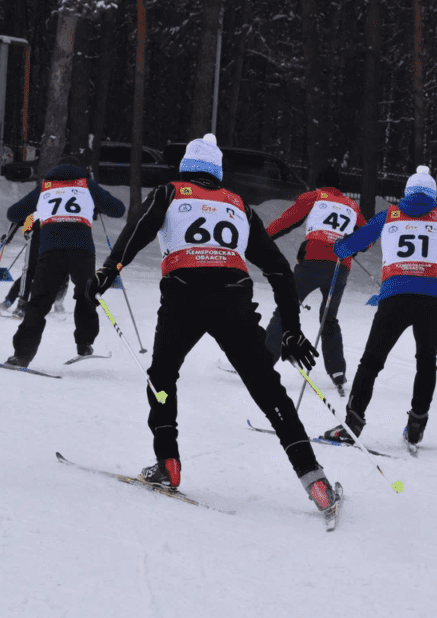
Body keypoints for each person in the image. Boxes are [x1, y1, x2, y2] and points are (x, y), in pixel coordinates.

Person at [85, 133, 339, 513]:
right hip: (232, 298)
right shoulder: (238, 204)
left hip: (183, 295)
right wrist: (290, 329)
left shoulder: (170, 192)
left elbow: (139, 230)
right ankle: (314, 479)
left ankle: (168, 463)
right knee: (268, 390)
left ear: (186, 167)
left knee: (162, 376)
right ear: (217, 172)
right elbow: (280, 270)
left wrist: (108, 271)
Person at [321, 166, 437, 448]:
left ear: (406, 192)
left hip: (395, 296)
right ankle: (416, 425)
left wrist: (342, 245)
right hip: (431, 298)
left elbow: (350, 246)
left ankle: (352, 423)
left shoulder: (389, 215)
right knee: (426, 362)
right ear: (433, 193)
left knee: (371, 361)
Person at [4, 155, 125, 367]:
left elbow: (13, 213)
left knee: (39, 302)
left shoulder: (45, 187)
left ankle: (22, 355)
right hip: (82, 250)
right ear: (81, 170)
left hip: (51, 250)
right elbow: (118, 209)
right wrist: (95, 205)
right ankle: (85, 343)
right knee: (86, 295)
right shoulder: (87, 185)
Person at [262, 166, 367, 393]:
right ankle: (337, 372)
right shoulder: (352, 205)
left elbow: (287, 221)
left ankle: (262, 363)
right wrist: (351, 245)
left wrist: (263, 237)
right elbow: (366, 238)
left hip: (313, 262)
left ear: (320, 185)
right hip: (340, 267)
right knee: (329, 318)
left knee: (286, 309)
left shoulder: (314, 197)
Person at [0, 215, 70, 317]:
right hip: (37, 236)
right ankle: (13, 303)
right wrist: (8, 235)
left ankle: (58, 304)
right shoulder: (35, 201)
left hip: (58, 239)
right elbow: (16, 214)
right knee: (31, 273)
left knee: (62, 272)